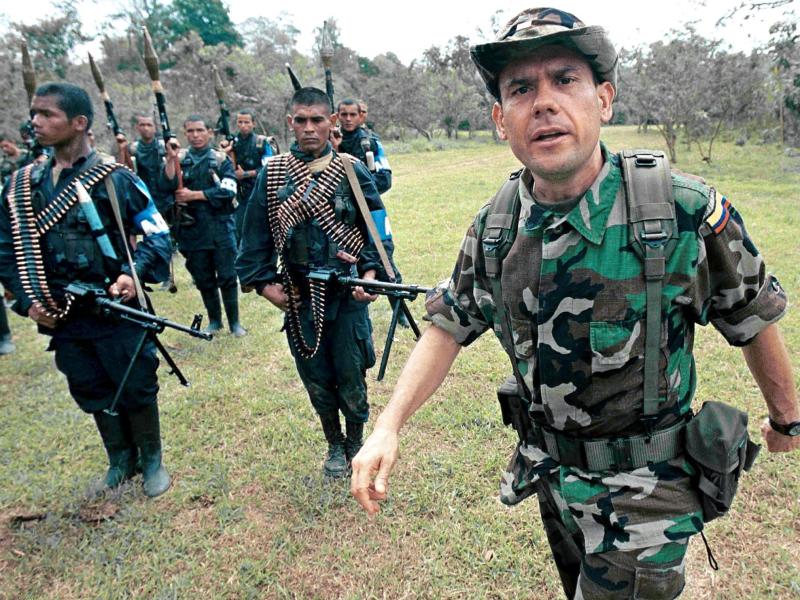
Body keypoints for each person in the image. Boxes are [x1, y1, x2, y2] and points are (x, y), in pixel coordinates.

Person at [351, 8, 800, 599]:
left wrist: (787, 418)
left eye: (565, 79)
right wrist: (387, 425)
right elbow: (448, 324)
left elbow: (751, 315)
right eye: (521, 88)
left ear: (604, 99)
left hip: (645, 495)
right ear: (499, 119)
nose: (543, 102)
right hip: (551, 476)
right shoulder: (498, 224)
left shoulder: (677, 209)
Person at [0, 82, 173, 496]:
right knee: (88, 384)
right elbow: (7, 248)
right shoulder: (23, 184)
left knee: (134, 382)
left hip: (115, 307)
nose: (36, 122)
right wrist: (27, 303)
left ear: (79, 123)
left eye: (47, 115)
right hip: (63, 312)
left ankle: (151, 459)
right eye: (35, 113)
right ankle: (120, 458)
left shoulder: (115, 179)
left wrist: (135, 275)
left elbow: (157, 235)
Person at [237, 87, 395, 478]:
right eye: (301, 120)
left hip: (346, 296)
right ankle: (334, 445)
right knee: (316, 378)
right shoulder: (272, 174)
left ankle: (356, 441)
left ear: (331, 123)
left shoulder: (352, 170)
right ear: (290, 122)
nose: (309, 128)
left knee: (351, 374)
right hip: (299, 297)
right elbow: (253, 238)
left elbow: (378, 232)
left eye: (317, 120)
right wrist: (265, 286)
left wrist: (371, 276)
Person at [159, 115, 246, 337]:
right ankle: (214, 321)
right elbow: (166, 185)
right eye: (190, 131)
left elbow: (229, 191)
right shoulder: (179, 159)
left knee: (227, 276)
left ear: (209, 131)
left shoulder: (220, 160)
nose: (195, 135)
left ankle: (234, 323)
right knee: (203, 278)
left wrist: (194, 195)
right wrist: (170, 159)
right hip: (192, 230)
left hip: (220, 227)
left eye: (200, 130)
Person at [219, 109, 274, 241]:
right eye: (240, 122)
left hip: (258, 192)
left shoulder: (262, 143)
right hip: (238, 195)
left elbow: (269, 168)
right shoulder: (232, 143)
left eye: (247, 122)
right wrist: (224, 152)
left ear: (253, 124)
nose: (243, 125)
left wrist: (245, 174)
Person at [116, 114, 174, 222]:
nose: (146, 128)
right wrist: (122, 150)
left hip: (165, 200)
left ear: (155, 127)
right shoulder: (133, 148)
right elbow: (123, 171)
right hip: (142, 200)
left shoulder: (165, 147)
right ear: (137, 127)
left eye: (149, 125)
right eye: (142, 125)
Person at [334, 99, 391, 195]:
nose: (348, 119)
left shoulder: (371, 143)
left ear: (360, 116)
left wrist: (357, 187)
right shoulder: (329, 141)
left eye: (353, 115)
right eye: (344, 115)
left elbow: (385, 180)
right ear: (337, 116)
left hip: (365, 201)